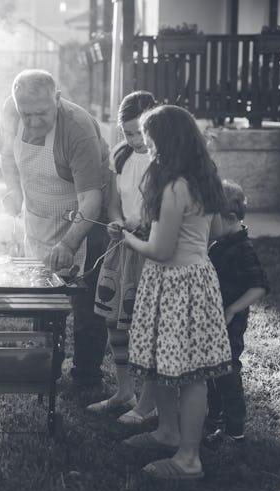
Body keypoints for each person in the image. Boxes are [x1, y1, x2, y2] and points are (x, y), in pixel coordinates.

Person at [118, 105, 233, 480]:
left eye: (149, 141)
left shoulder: (171, 186)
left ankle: (188, 459)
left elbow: (161, 250)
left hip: (173, 283)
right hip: (198, 279)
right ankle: (167, 433)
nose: (147, 148)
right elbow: (215, 230)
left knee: (189, 375)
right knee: (165, 365)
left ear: (165, 141)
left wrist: (128, 239)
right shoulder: (204, 179)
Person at [0, 68, 112, 387]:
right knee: (42, 294)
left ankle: (86, 375)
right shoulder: (11, 109)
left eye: (41, 113)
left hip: (85, 219)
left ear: (57, 100)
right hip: (39, 216)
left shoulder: (77, 128)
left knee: (84, 299)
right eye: (26, 113)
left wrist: (69, 244)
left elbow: (91, 199)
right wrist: (14, 191)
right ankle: (45, 365)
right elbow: (7, 156)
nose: (32, 122)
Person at [86, 91, 157, 423]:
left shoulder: (163, 158)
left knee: (145, 325)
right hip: (122, 247)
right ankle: (124, 390)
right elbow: (113, 201)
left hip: (150, 249)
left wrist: (140, 227)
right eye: (127, 133)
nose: (134, 140)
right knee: (116, 321)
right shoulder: (121, 154)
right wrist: (116, 222)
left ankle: (150, 401)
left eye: (138, 132)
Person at [204, 180, 269, 447]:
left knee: (227, 372)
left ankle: (234, 428)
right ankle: (215, 417)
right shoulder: (220, 244)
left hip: (229, 323)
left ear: (229, 218)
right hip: (213, 322)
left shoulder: (243, 249)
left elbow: (260, 285)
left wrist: (233, 308)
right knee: (211, 372)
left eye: (210, 218)